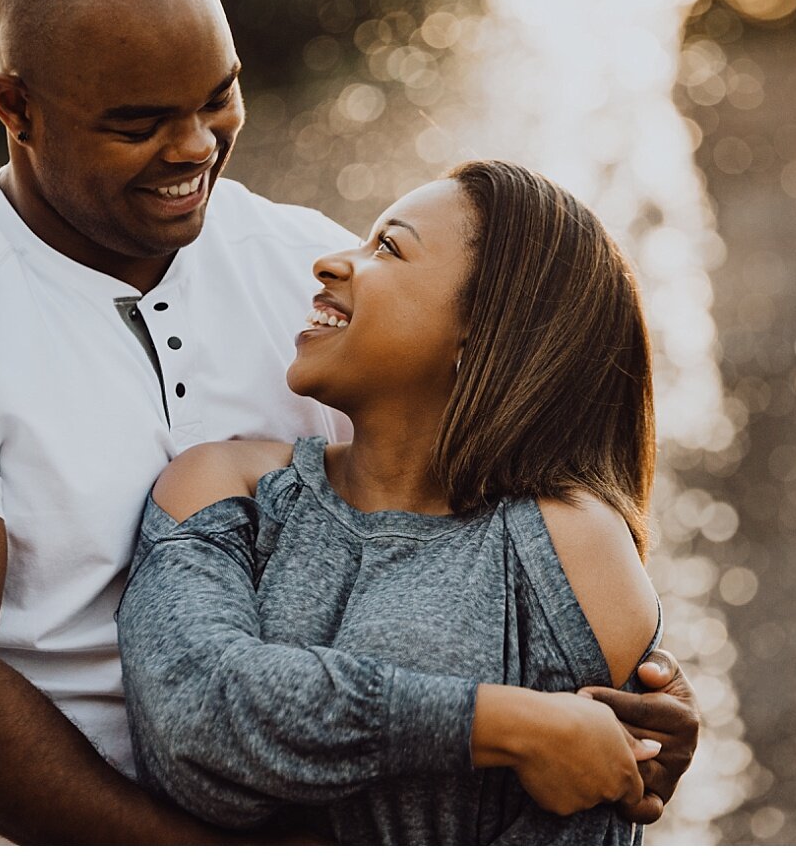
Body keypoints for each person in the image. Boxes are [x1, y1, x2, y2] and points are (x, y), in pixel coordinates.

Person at [0, 0, 699, 845]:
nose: (195, 147)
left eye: (218, 98)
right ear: (17, 109)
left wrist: (625, 700)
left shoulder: (306, 271)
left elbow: (446, 538)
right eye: (139, 123)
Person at [120, 161, 672, 843]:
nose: (329, 263)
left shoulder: (569, 544)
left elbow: (586, 800)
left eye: (388, 246)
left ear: (482, 331)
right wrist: (503, 724)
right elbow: (193, 714)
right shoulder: (223, 487)